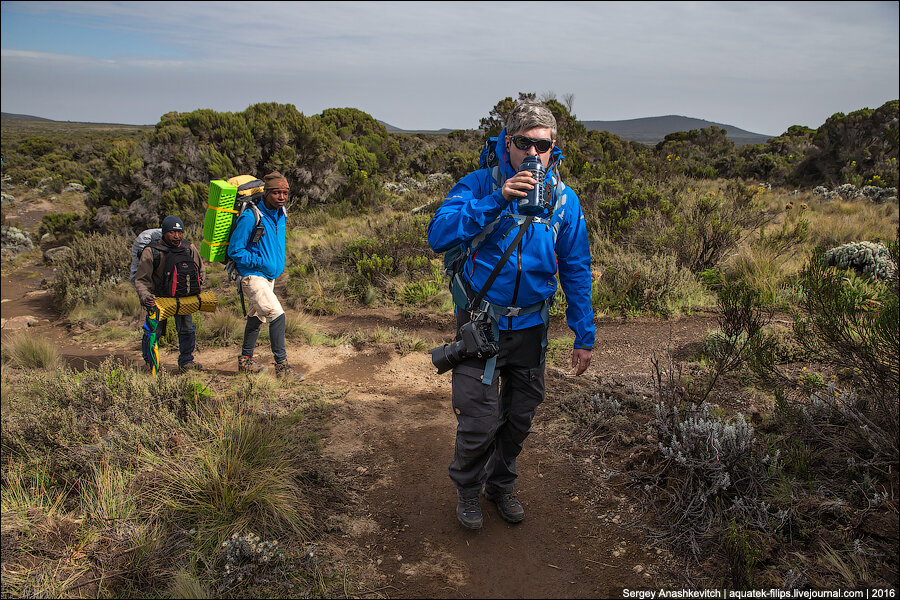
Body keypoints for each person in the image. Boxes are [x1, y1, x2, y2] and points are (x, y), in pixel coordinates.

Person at [427, 101, 594, 529]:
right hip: (481, 324)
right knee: (479, 420)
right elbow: (438, 234)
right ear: (508, 144)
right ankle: (467, 489)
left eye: (542, 144)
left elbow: (574, 268)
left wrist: (583, 333)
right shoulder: (479, 184)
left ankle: (500, 486)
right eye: (524, 143)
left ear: (553, 147)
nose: (533, 153)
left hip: (532, 329)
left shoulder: (563, 200)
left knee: (519, 418)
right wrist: (498, 199)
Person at [227, 171, 304, 381]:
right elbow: (235, 250)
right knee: (276, 314)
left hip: (269, 277)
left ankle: (245, 360)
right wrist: (259, 261)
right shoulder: (251, 216)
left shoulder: (282, 214)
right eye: (276, 193)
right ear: (265, 193)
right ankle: (282, 368)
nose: (281, 197)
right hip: (252, 276)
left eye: (285, 193)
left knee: (256, 318)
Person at [134, 215, 206, 372]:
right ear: (164, 232)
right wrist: (146, 297)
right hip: (158, 299)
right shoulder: (151, 251)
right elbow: (141, 279)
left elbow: (200, 269)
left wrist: (196, 287)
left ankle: (186, 361)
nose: (177, 236)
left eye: (180, 232)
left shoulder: (188, 248)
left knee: (187, 328)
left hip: (183, 298)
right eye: (172, 232)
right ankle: (150, 363)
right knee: (154, 331)